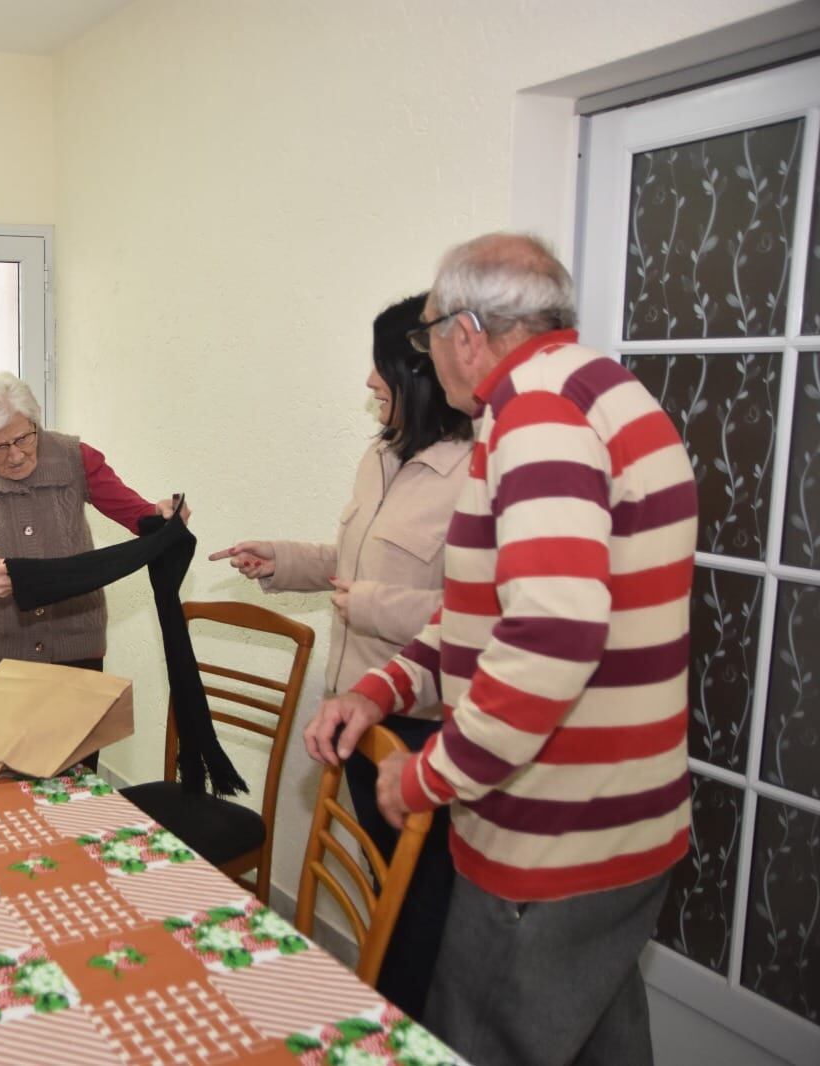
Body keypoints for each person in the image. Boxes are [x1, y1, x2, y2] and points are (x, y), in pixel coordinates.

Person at [303, 234, 695, 1066]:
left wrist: (426, 776)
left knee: (474, 1043)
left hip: (548, 837)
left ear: (467, 330)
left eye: (429, 336)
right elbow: (487, 617)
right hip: (623, 824)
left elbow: (549, 639)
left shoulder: (539, 417)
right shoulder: (610, 393)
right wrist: (383, 689)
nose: (430, 356)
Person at [209, 291, 471, 1017]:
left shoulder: (478, 476)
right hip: (355, 708)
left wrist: (378, 606)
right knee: (381, 881)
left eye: (379, 366)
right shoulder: (381, 458)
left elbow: (490, 613)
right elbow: (348, 562)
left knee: (418, 906)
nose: (367, 382)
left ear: (417, 373)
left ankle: (403, 1027)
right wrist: (282, 559)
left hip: (421, 722)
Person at [0, 372, 185, 681]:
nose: (16, 454)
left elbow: (137, 515)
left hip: (75, 645)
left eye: (24, 438)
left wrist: (161, 513)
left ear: (36, 423)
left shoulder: (76, 458)